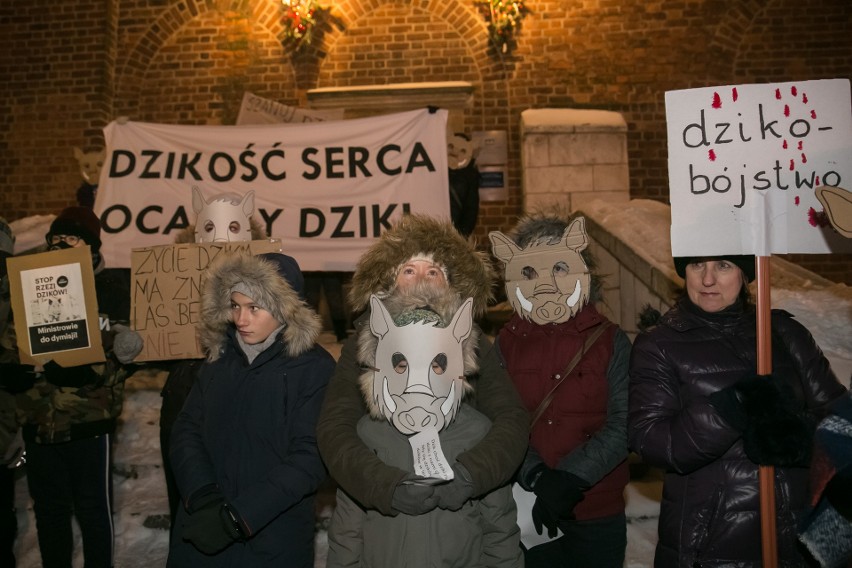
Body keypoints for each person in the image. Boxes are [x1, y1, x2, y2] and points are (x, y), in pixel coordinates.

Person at [628, 255, 848, 567]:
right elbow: (651, 440)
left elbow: (838, 419)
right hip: (714, 541)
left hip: (800, 536)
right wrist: (732, 409)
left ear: (745, 273)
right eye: (696, 266)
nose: (707, 279)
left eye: (724, 265)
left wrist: (796, 439)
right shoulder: (660, 345)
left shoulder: (784, 333)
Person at [317, 214, 529, 517]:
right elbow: (335, 428)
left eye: (433, 271)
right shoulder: (364, 342)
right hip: (383, 510)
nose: (421, 279)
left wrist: (469, 476)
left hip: (458, 507)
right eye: (408, 270)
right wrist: (384, 485)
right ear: (390, 281)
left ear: (450, 283)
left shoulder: (475, 342)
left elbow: (511, 419)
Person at [327, 288, 523, 567]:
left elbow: (499, 529)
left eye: (437, 365)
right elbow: (347, 530)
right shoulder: (368, 433)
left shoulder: (478, 433)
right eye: (402, 364)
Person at [166, 252, 334, 567]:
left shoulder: (314, 368)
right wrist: (203, 496)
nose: (241, 319)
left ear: (283, 307)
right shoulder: (219, 357)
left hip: (271, 536)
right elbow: (186, 429)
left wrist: (239, 517)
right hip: (205, 525)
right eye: (235, 306)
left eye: (254, 308)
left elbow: (310, 456)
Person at [490, 214, 630, 567]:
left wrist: (569, 478)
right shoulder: (507, 343)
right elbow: (498, 419)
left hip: (597, 510)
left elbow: (625, 422)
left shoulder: (610, 340)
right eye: (531, 271)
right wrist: (536, 475)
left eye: (559, 268)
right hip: (529, 507)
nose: (546, 283)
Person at [15, 206, 143, 568]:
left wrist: (92, 375)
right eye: (55, 239)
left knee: (92, 509)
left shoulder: (110, 289)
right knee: (50, 510)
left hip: (88, 417)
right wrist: (17, 370)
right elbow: (12, 342)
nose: (61, 245)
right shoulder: (29, 286)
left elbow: (128, 353)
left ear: (90, 246)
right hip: (39, 416)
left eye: (71, 239)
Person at [158, 188, 266, 531]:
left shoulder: (270, 283)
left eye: (235, 229)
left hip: (243, 399)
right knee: (189, 494)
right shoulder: (172, 278)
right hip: (186, 394)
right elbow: (161, 337)